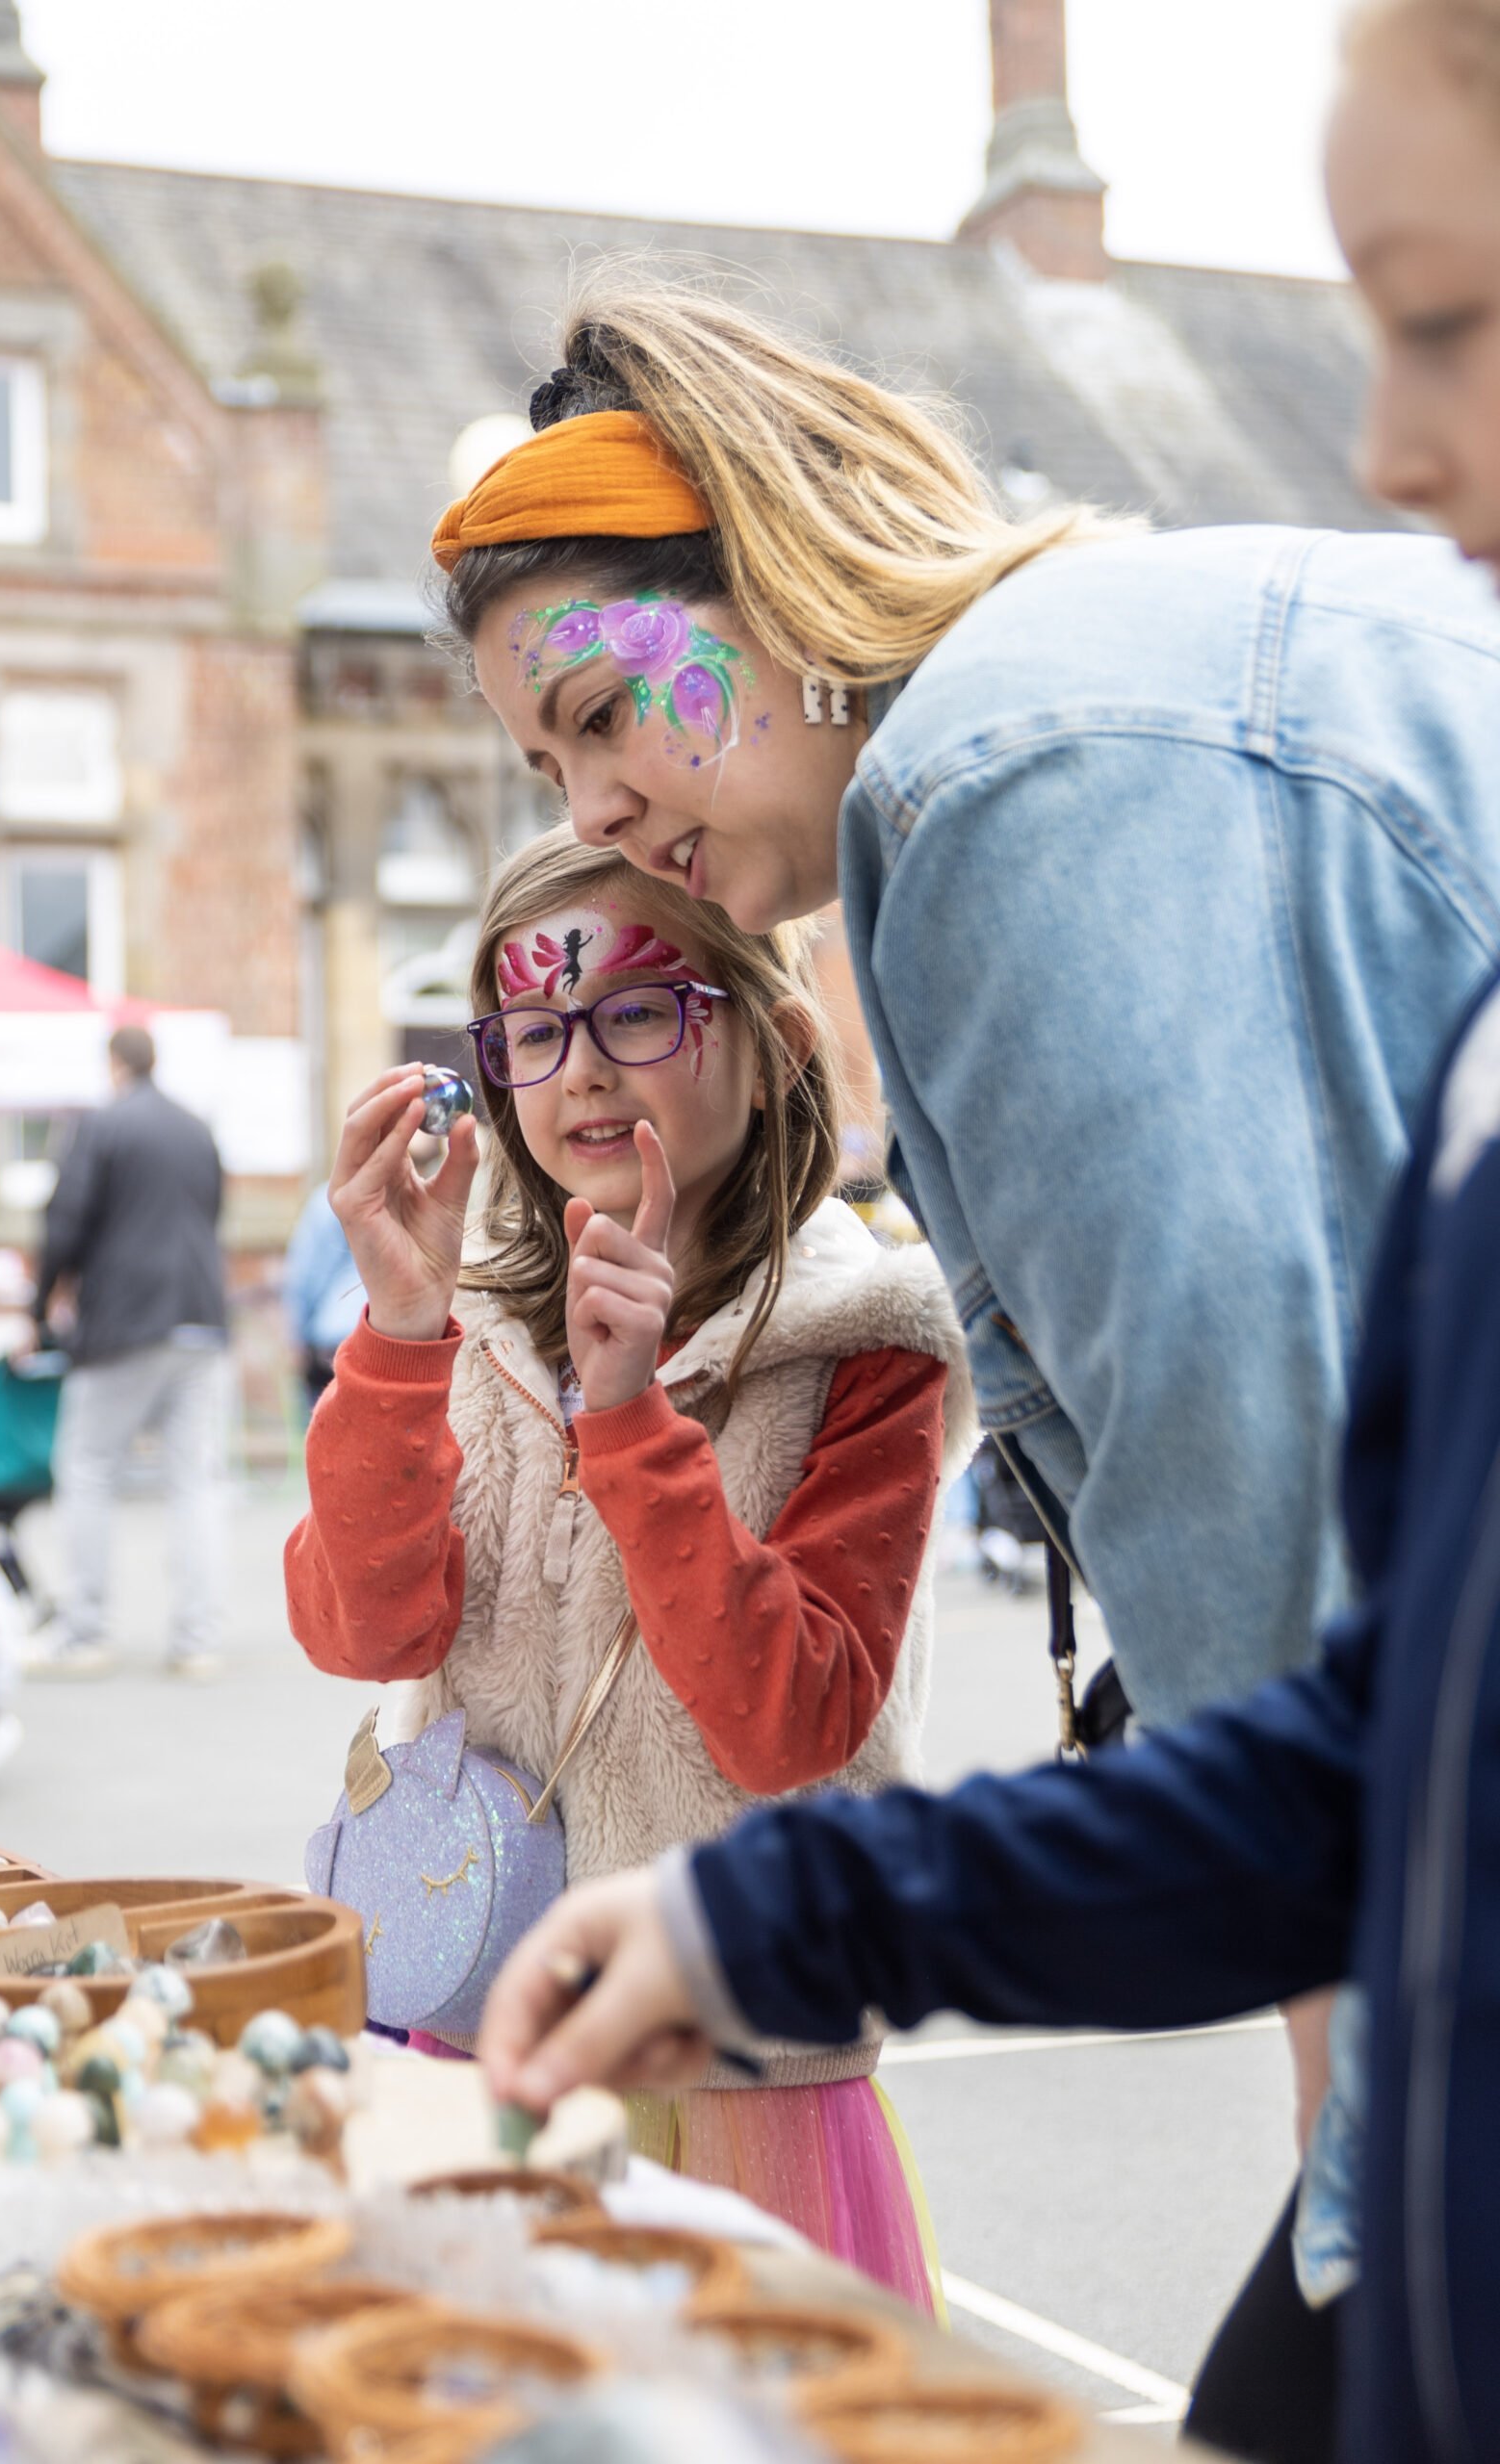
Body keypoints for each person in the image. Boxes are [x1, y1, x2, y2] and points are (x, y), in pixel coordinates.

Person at [470, 6, 1500, 2456]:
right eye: (541, 774)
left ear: (765, 550)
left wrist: (1356, 2136)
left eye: (611, 703)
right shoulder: (1038, 733)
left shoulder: (1003, 778)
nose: (605, 810)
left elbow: (1243, 1510)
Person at [286, 829, 973, 2304]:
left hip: (736, 2076)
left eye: (640, 1012)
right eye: (534, 1031)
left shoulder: (869, 1339)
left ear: (777, 1040)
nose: (582, 1069)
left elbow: (789, 1717)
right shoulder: (469, 1319)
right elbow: (362, 1624)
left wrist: (633, 1419)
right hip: (480, 2038)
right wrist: (400, 1338)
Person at [27, 1023, 227, 1678]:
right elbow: (215, 1212)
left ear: (115, 1065)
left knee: (87, 1467)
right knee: (194, 1480)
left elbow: (65, 1222)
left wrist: (40, 1306)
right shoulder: (197, 1129)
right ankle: (197, 1640)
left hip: (123, 1320)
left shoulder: (102, 1126)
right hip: (200, 1315)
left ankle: (87, 1632)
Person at [282, 1176, 366, 1419]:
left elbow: (306, 1278)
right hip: (386, 1340)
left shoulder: (329, 1200)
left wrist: (296, 1337)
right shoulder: (415, 1195)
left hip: (333, 1340)